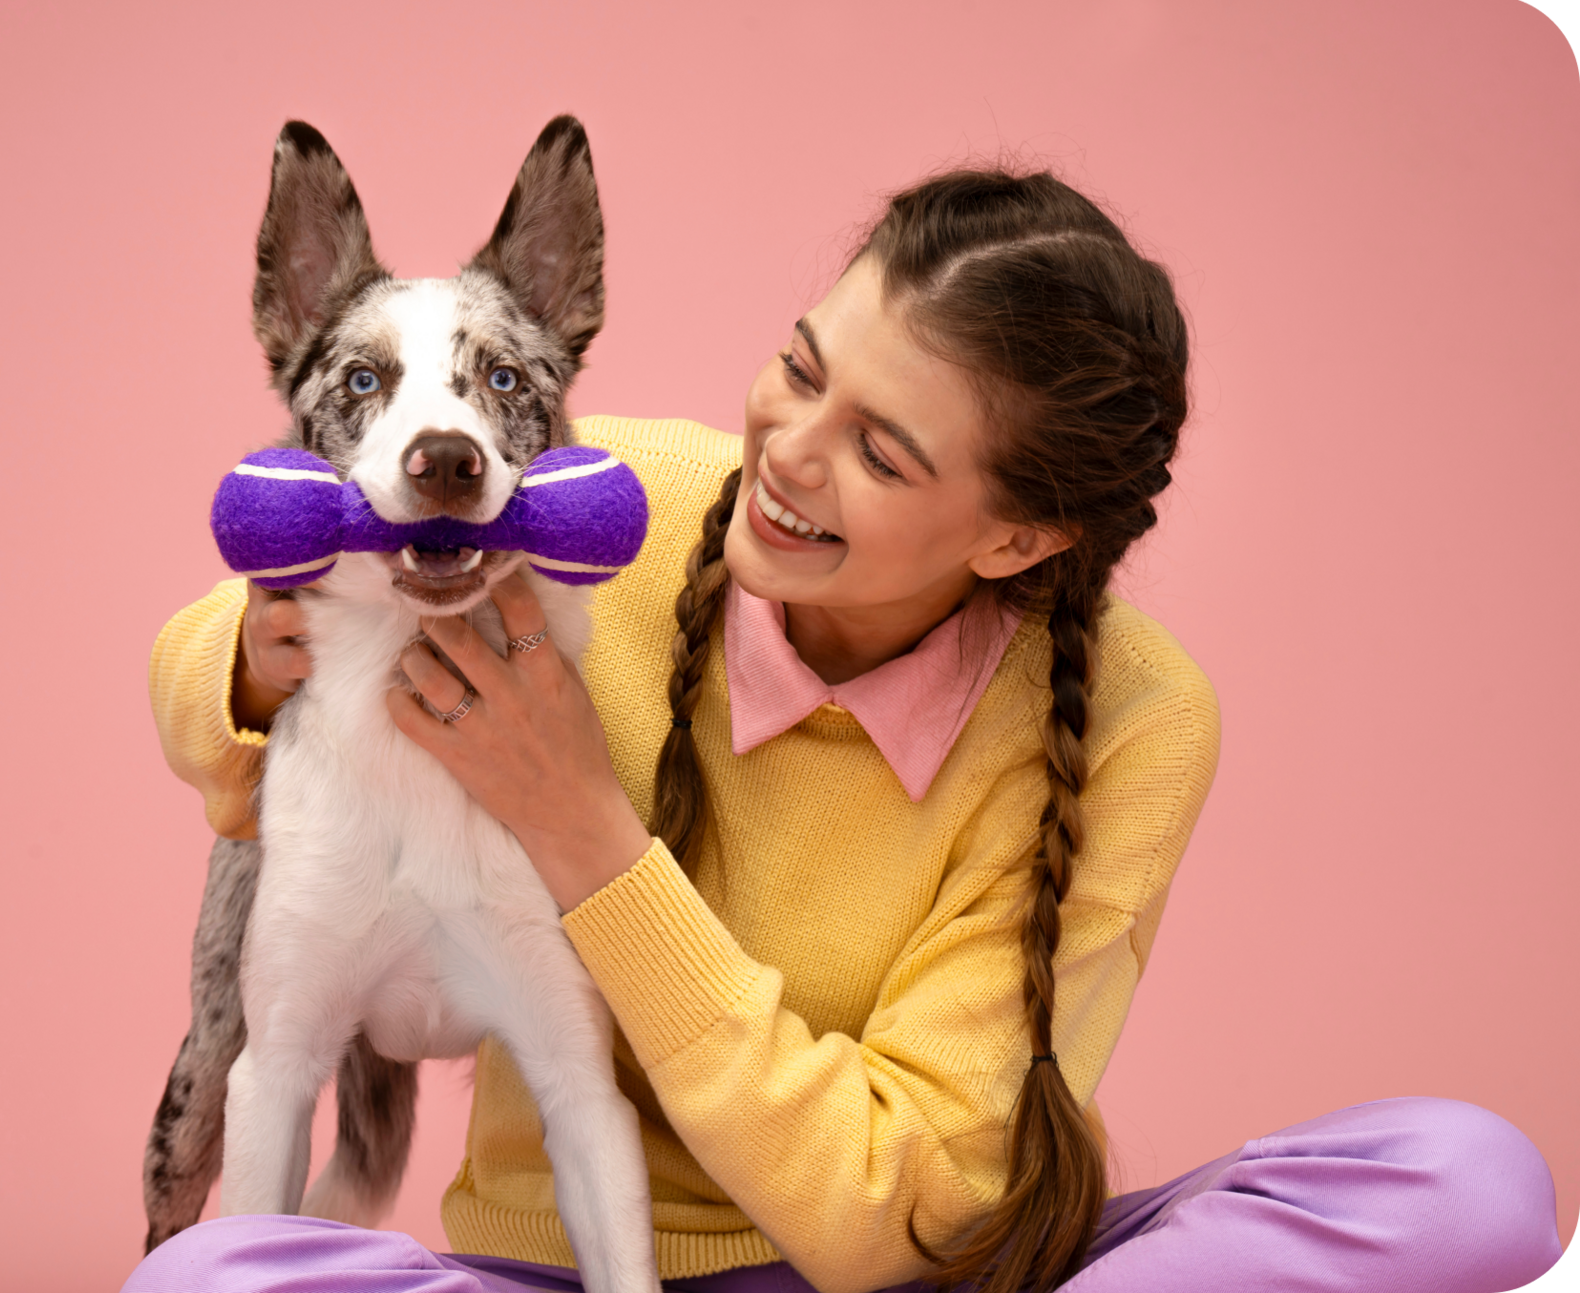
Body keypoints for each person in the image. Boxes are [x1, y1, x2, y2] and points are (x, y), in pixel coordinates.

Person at [127, 169, 1561, 1293]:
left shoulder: (1138, 716)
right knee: (213, 1278)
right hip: (562, 1271)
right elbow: (241, 650)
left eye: (880, 450)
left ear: (1017, 536)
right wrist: (252, 660)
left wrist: (588, 834)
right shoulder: (612, 508)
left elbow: (905, 1203)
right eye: (803, 370)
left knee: (1469, 1183)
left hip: (926, 1270)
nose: (789, 455)